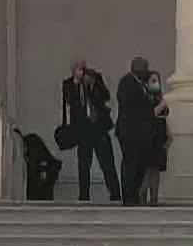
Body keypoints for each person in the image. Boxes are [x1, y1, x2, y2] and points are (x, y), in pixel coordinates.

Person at [61, 60, 120, 202]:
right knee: (83, 165)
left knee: (107, 163)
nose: (82, 71)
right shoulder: (68, 84)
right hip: (83, 130)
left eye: (83, 68)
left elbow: (106, 96)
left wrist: (92, 85)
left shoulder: (96, 78)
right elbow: (70, 101)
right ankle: (84, 196)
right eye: (79, 69)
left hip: (99, 128)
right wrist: (76, 83)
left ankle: (115, 194)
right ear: (73, 70)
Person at [116, 56, 156, 206]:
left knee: (140, 165)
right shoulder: (126, 82)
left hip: (142, 133)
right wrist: (148, 100)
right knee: (130, 165)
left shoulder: (145, 83)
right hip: (129, 133)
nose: (146, 72)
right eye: (144, 69)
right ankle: (128, 198)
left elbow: (155, 99)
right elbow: (133, 104)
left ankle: (135, 195)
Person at [140, 71, 171, 206]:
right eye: (153, 80)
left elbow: (164, 117)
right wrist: (162, 105)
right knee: (147, 169)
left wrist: (169, 135)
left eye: (157, 80)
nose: (156, 83)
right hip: (149, 135)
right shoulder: (143, 97)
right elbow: (148, 114)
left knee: (156, 170)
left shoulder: (159, 98)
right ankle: (142, 195)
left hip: (160, 135)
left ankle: (154, 199)